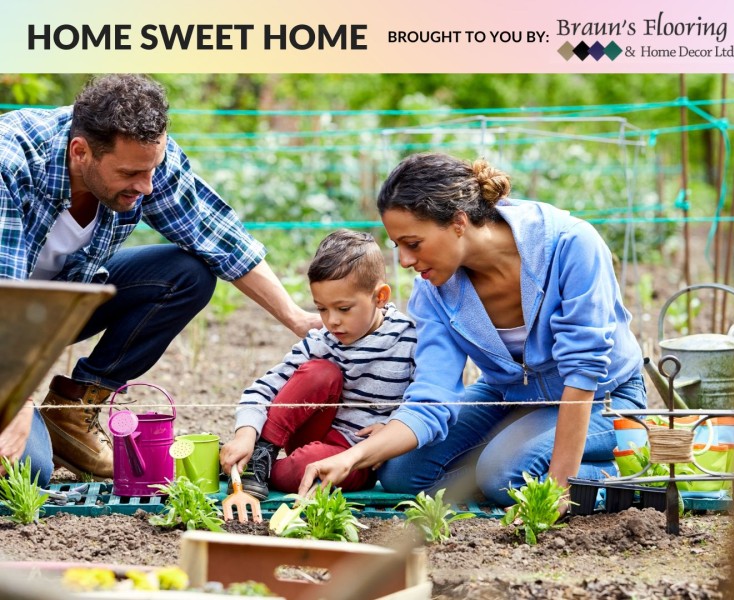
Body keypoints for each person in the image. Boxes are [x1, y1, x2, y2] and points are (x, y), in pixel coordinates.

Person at [0, 74, 320, 484]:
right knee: (27, 473)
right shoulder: (12, 162)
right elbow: (5, 301)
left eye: (152, 169)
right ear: (80, 152)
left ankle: (71, 416)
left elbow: (217, 235)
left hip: (52, 312)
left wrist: (296, 318)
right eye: (131, 173)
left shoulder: (144, 157)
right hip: (9, 321)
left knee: (186, 274)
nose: (147, 185)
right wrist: (16, 401)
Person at [298, 152, 646, 509]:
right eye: (397, 245)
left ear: (459, 222)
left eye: (413, 244)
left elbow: (583, 371)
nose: (403, 261)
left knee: (505, 477)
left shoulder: (569, 245)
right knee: (400, 473)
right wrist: (355, 456)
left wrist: (558, 489)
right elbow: (433, 393)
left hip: (606, 399)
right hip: (508, 396)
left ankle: (632, 469)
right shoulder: (434, 290)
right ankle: (507, 455)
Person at [219, 229, 416, 498]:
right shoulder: (323, 340)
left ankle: (249, 469)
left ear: (380, 297)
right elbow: (264, 388)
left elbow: (424, 400)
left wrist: (392, 428)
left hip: (357, 457)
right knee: (320, 372)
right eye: (322, 308)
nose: (331, 320)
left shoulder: (409, 339)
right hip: (312, 431)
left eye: (343, 309)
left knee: (306, 467)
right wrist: (246, 434)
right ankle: (258, 456)